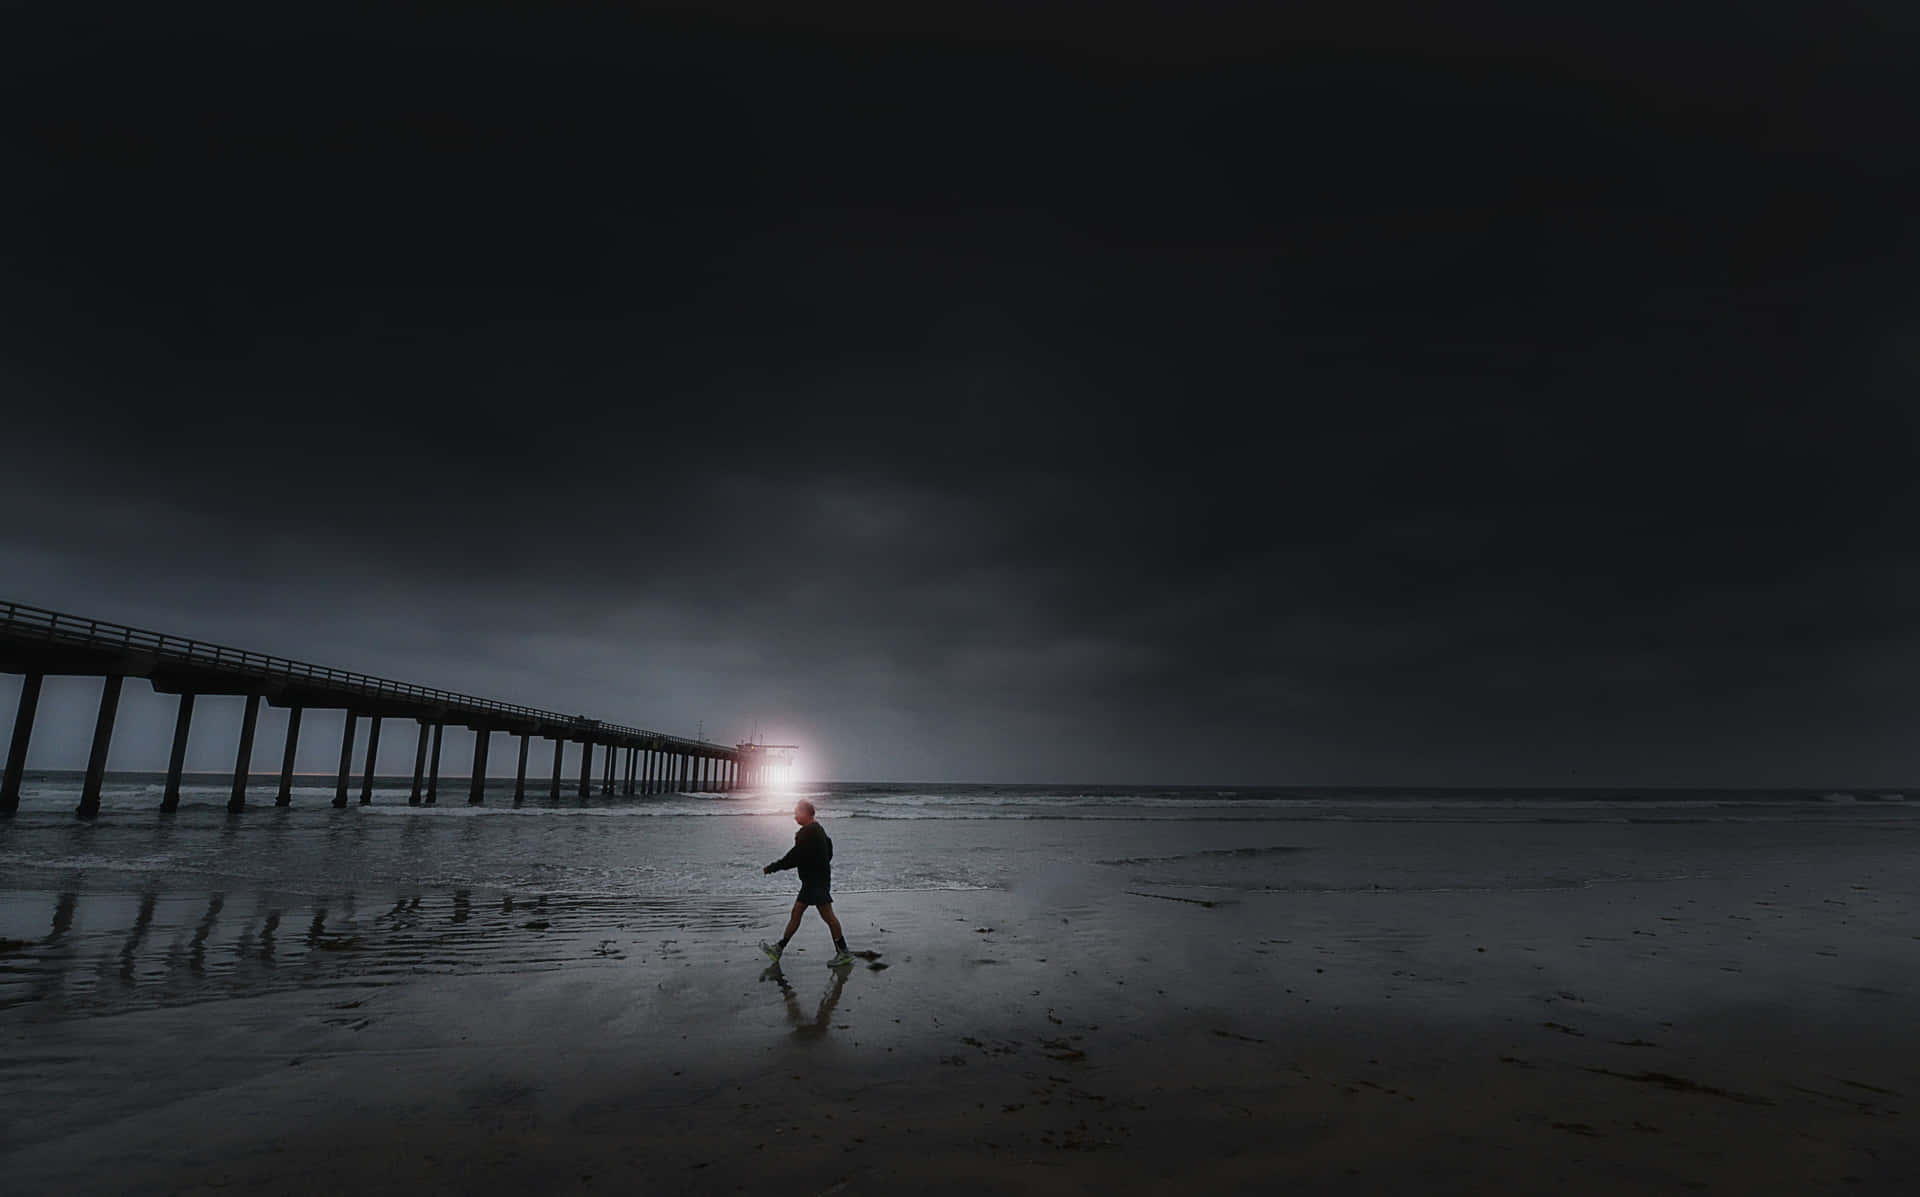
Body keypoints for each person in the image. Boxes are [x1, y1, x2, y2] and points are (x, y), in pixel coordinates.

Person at [760, 799, 854, 968]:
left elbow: (793, 857)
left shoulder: (807, 832)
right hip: (816, 880)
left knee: (828, 917)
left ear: (805, 813)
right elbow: (829, 850)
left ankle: (844, 953)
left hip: (815, 882)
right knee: (796, 913)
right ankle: (778, 948)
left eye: (797, 812)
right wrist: (817, 864)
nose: (794, 816)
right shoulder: (819, 830)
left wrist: (772, 868)